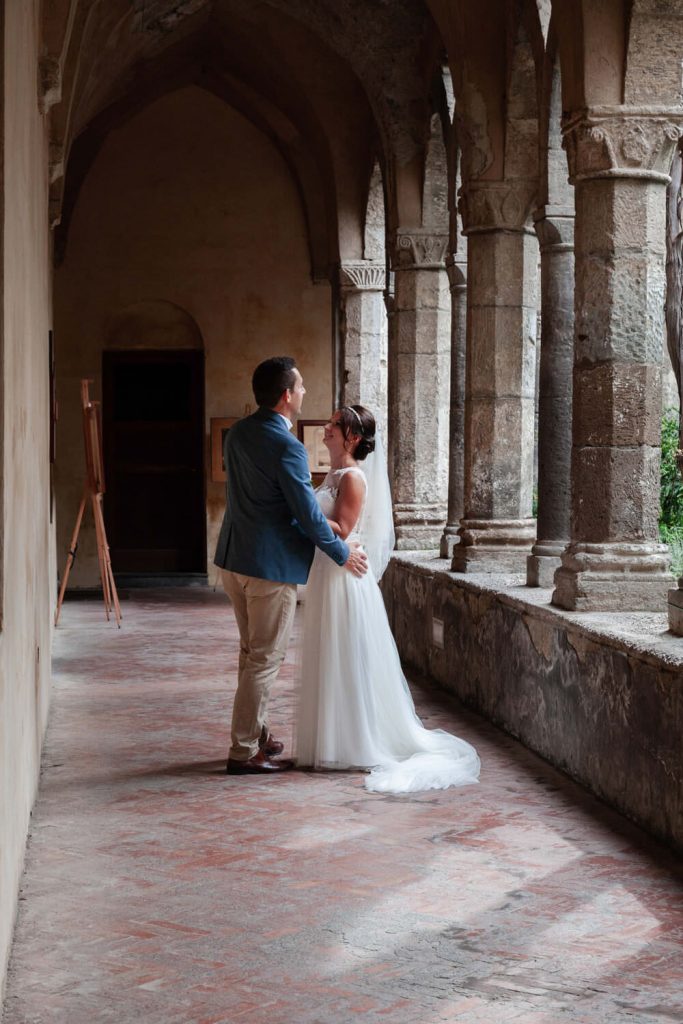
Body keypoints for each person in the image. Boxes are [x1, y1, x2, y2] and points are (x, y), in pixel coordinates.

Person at [295, 405, 480, 793]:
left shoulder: (353, 478)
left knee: (346, 654)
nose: (326, 427)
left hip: (346, 577)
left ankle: (359, 742)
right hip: (330, 572)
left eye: (334, 424)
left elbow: (343, 529)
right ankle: (332, 739)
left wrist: (301, 510)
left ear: (352, 437)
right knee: (329, 654)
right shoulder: (332, 473)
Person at [214, 358, 368, 775]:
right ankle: (244, 751)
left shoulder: (239, 433)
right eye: (299, 388)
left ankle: (257, 734)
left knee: (251, 653)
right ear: (286, 395)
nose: (303, 393)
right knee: (263, 658)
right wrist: (342, 553)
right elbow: (306, 514)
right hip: (269, 567)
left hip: (233, 560)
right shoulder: (288, 447)